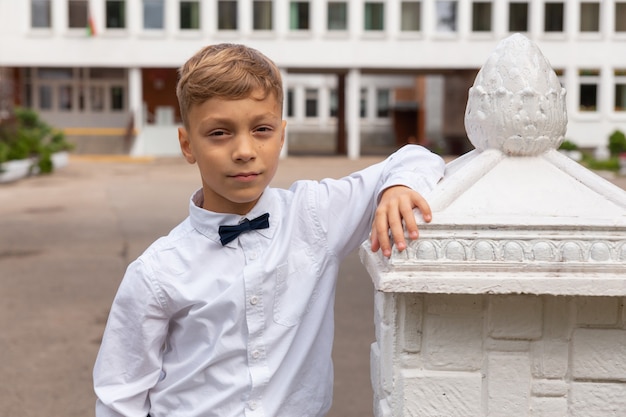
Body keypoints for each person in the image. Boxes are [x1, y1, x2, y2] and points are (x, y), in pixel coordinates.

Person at [93, 43, 445, 417]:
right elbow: (120, 395)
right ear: (187, 144)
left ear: (281, 135)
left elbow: (417, 157)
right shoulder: (156, 271)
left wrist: (397, 189)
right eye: (219, 133)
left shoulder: (314, 215)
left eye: (261, 129)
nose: (244, 150)